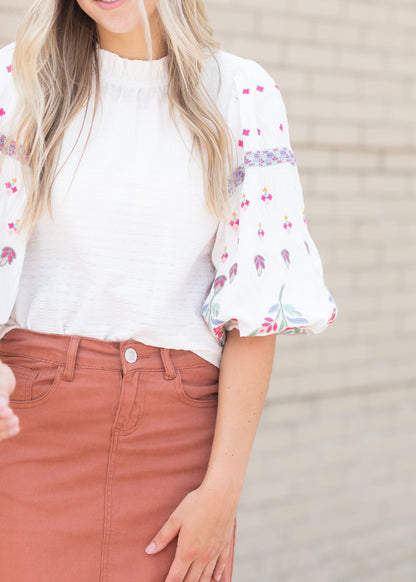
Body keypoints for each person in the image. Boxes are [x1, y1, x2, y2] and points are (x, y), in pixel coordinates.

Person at [0, 0, 338, 581]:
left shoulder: (240, 94)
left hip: (177, 444)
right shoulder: (19, 80)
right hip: (32, 436)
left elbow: (255, 312)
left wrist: (223, 494)